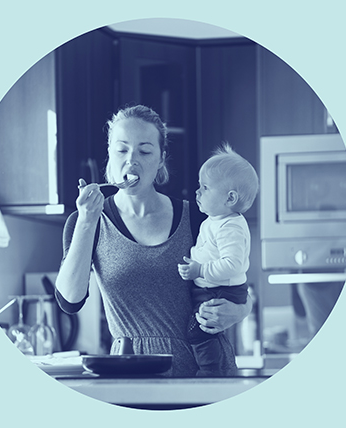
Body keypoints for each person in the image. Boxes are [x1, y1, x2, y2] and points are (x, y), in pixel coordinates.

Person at [54, 105, 252, 377]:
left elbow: (237, 280)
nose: (132, 160)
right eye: (121, 150)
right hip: (129, 378)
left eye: (145, 151)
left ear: (161, 160)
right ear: (109, 154)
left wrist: (241, 310)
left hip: (203, 375)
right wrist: (88, 220)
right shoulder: (86, 221)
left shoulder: (196, 215)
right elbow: (69, 301)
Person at [178, 144, 258, 376]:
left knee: (200, 330)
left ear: (230, 198)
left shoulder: (229, 226)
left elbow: (233, 265)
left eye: (205, 188)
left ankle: (211, 372)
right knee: (203, 331)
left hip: (221, 291)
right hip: (215, 288)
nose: (197, 193)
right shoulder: (214, 220)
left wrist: (200, 270)